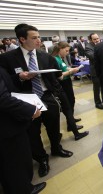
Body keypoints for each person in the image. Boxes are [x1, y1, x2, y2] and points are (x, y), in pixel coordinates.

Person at [0, 23, 73, 178]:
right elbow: (5, 82)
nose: (39, 40)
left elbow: (54, 77)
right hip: (25, 99)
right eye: (34, 38)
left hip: (47, 96)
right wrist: (19, 77)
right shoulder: (7, 59)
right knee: (32, 132)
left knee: (54, 126)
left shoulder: (44, 55)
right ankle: (41, 158)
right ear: (22, 39)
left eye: (39, 37)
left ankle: (56, 148)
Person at [0, 66, 46, 194]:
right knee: (15, 162)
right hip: (7, 127)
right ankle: (24, 189)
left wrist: (18, 77)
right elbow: (2, 99)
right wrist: (31, 110)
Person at [51, 42, 89, 140]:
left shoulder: (60, 58)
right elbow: (60, 76)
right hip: (63, 84)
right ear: (60, 49)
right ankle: (73, 129)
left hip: (67, 83)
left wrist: (71, 68)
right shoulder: (55, 59)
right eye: (66, 51)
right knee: (68, 106)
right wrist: (71, 71)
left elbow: (63, 68)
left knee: (71, 102)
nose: (67, 53)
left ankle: (70, 122)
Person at [85, 33, 103, 109]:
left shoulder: (101, 44)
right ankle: (97, 103)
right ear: (90, 40)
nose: (97, 40)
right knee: (96, 88)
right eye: (94, 39)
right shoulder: (88, 47)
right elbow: (93, 57)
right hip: (95, 71)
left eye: (97, 38)